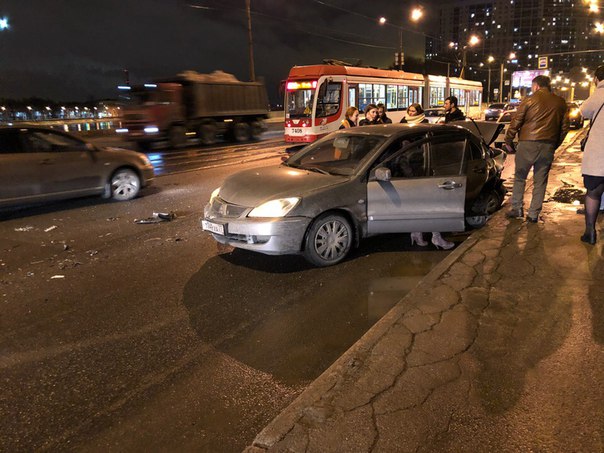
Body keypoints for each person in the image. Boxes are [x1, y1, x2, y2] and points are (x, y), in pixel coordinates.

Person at [504, 75, 569, 223]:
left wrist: (509, 139)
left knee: (520, 177)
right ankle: (533, 214)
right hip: (548, 145)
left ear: (536, 86)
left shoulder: (529, 100)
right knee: (540, 181)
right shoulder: (560, 102)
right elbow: (564, 128)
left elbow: (516, 121)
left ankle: (517, 208)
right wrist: (554, 144)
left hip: (527, 143)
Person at [398, 102, 454, 250]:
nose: (410, 113)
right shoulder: (403, 124)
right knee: (426, 205)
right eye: (409, 110)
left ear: (419, 112)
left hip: (424, 167)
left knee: (425, 204)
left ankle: (420, 234)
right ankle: (432, 236)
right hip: (411, 170)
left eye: (413, 111)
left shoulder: (424, 124)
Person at [579, 64, 604, 244]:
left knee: (593, 193)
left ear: (596, 78)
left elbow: (583, 111)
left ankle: (590, 232)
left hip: (599, 156)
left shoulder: (598, 94)